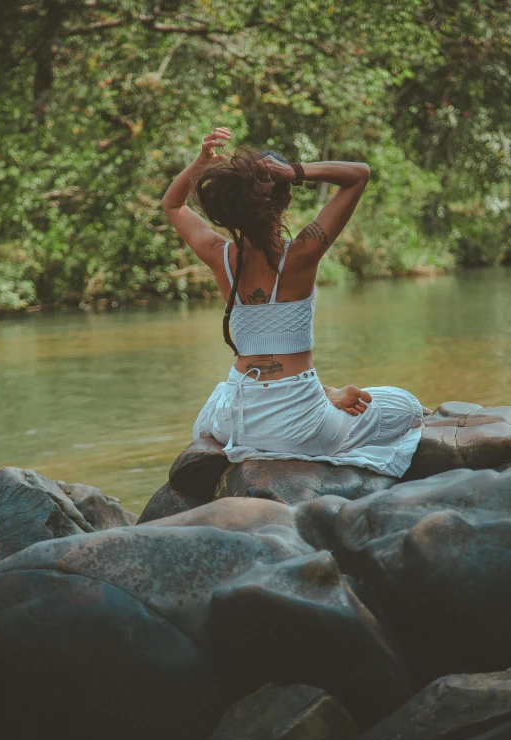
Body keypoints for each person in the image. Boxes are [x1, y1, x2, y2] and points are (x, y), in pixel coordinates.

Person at [162, 127, 427, 478]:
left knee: (225, 393)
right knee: (404, 405)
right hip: (300, 427)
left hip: (237, 423)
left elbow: (172, 203)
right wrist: (296, 171)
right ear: (286, 201)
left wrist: (200, 162)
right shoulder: (303, 253)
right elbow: (358, 174)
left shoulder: (218, 256)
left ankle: (326, 393)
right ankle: (322, 397)